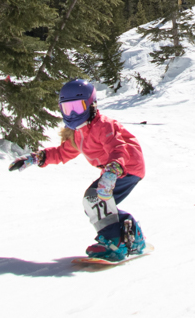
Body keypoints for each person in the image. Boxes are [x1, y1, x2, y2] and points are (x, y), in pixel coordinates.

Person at [9, 78, 147, 262]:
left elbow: (118, 148)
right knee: (95, 207)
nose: (73, 113)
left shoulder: (103, 125)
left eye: (78, 107)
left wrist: (112, 171)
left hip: (127, 165)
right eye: (68, 108)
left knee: (95, 200)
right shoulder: (77, 133)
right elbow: (62, 153)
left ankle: (115, 244)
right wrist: (36, 157)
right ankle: (132, 236)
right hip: (114, 170)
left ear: (91, 105)